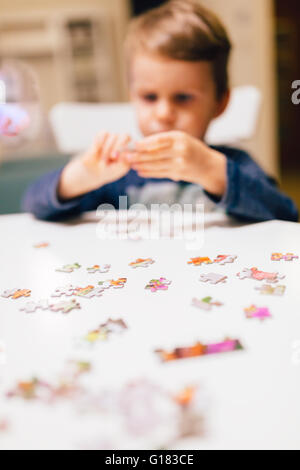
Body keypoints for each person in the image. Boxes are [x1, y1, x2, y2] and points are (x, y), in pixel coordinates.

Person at [22, 0, 298, 222]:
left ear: (220, 103)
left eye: (183, 97)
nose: (164, 113)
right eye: (149, 97)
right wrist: (78, 178)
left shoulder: (234, 164)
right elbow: (34, 205)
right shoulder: (118, 174)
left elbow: (285, 218)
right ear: (132, 97)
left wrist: (213, 171)